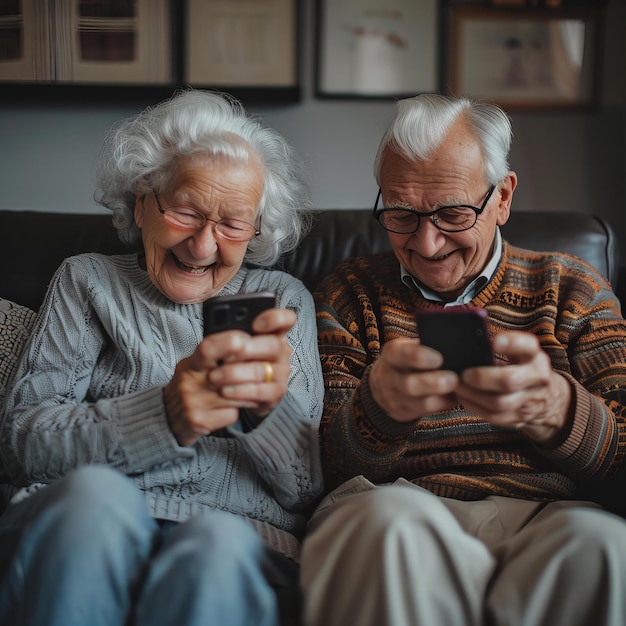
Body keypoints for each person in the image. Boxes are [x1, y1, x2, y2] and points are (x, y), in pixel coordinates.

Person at [0, 89, 323, 626]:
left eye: (232, 224)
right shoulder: (88, 281)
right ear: (142, 200)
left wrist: (262, 412)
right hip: (84, 524)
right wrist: (168, 413)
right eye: (186, 211)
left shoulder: (284, 300)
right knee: (96, 499)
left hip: (238, 537)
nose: (201, 246)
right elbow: (21, 445)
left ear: (258, 230)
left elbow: (306, 486)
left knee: (218, 542)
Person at [300, 93, 626, 626]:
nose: (427, 244)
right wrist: (379, 409)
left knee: (603, 545)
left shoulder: (574, 289)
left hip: (545, 517)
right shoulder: (348, 294)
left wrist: (561, 412)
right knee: (388, 525)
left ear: (502, 197)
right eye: (401, 214)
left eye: (452, 214)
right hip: (399, 505)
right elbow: (320, 472)